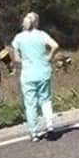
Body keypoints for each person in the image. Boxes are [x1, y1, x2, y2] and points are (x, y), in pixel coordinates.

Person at [11, 12, 60, 141]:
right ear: (37, 22)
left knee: (30, 103)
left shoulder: (18, 38)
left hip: (28, 74)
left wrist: (26, 61)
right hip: (43, 71)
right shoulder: (42, 35)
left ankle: (33, 132)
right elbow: (55, 46)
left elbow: (16, 59)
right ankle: (50, 126)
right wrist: (48, 57)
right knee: (45, 99)